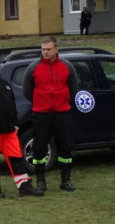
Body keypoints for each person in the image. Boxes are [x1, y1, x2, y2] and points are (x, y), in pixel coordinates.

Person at [0, 54, 43, 199]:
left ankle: (24, 186)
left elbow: (11, 105)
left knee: (17, 158)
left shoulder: (3, 83)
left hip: (9, 130)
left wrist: (16, 123)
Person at [22, 35, 79, 192]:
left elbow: (73, 88)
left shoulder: (67, 67)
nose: (45, 52)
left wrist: (64, 101)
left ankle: (65, 180)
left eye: (48, 49)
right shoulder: (33, 68)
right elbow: (27, 91)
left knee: (65, 148)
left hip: (62, 113)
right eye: (43, 49)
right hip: (41, 114)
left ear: (56, 49)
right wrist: (41, 102)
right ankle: (41, 180)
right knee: (39, 148)